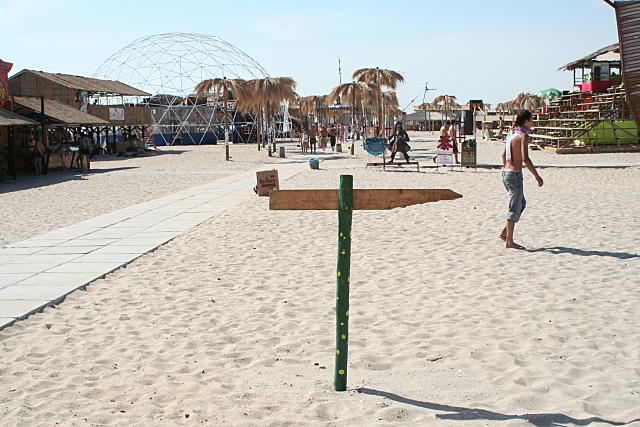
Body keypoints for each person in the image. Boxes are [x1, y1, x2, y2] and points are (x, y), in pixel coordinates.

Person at [499, 110, 544, 250]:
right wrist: (537, 176)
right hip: (514, 174)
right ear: (526, 121)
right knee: (514, 207)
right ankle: (509, 241)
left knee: (521, 203)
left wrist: (507, 169)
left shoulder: (511, 134)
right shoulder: (523, 136)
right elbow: (525, 158)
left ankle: (505, 232)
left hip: (506, 173)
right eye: (531, 119)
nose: (533, 121)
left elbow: (503, 155)